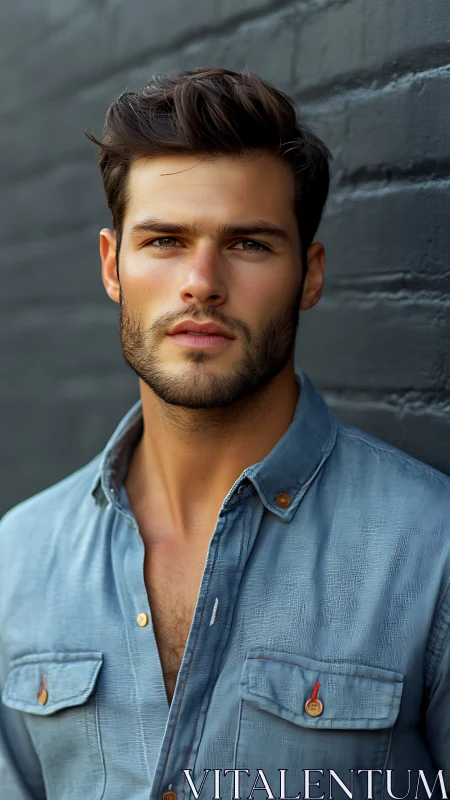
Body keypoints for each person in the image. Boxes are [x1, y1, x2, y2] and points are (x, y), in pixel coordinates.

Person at [0, 66, 449, 800]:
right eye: (166, 240)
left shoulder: (432, 552)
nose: (201, 282)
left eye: (247, 244)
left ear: (309, 274)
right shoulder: (18, 561)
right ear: (113, 266)